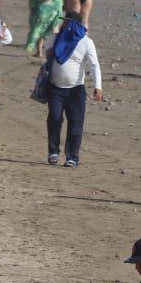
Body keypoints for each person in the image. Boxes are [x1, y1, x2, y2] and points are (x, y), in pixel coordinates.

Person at [44, 10, 102, 168]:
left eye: (66, 21)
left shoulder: (86, 42)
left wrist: (98, 86)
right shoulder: (55, 38)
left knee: (76, 125)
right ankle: (53, 152)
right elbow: (46, 50)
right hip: (55, 88)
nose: (64, 24)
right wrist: (48, 53)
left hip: (76, 90)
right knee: (55, 119)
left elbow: (94, 65)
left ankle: (72, 157)